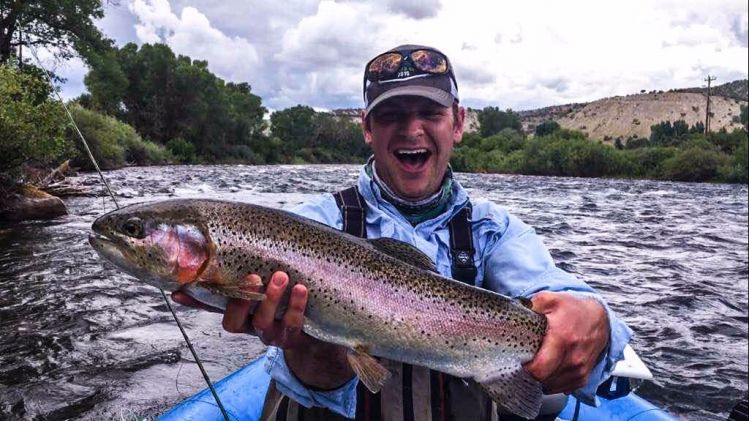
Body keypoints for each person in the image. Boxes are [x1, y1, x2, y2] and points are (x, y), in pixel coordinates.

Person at [172, 44, 632, 420]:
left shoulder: (494, 231)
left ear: (458, 123)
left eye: (429, 113)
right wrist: (316, 350)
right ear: (368, 129)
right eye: (392, 115)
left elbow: (557, 290)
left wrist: (594, 320)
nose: (412, 130)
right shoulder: (310, 225)